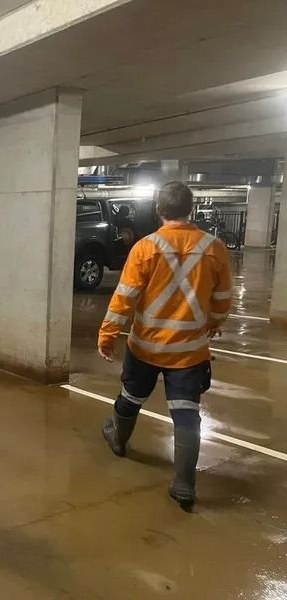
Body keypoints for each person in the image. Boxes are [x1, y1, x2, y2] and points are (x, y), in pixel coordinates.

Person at [97, 181, 232, 511]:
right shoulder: (213, 248)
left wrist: (108, 334)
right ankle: (184, 484)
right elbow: (222, 299)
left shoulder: (145, 248)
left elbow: (124, 298)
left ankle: (118, 438)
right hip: (189, 352)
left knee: (131, 396)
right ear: (191, 208)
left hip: (146, 346)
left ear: (159, 209)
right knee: (186, 414)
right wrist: (213, 323)